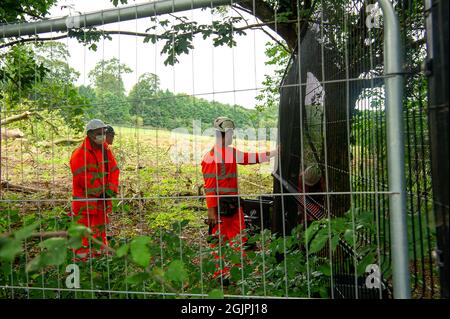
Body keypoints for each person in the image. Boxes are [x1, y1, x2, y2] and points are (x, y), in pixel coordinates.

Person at [201, 117, 277, 278]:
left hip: (234, 207)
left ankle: (236, 273)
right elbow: (209, 187)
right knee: (221, 241)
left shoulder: (230, 152)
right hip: (220, 210)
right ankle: (223, 274)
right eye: (231, 133)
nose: (232, 136)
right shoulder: (211, 158)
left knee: (236, 240)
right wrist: (211, 212)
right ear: (225, 134)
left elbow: (251, 158)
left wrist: (275, 152)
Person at [69, 119, 120, 261]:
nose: (103, 136)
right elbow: (82, 177)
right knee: (82, 237)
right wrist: (101, 192)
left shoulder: (105, 150)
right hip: (84, 205)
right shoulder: (79, 154)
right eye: (99, 133)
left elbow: (114, 170)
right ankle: (82, 264)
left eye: (104, 133)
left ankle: (100, 262)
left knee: (99, 233)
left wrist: (110, 190)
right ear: (90, 134)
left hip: (101, 203)